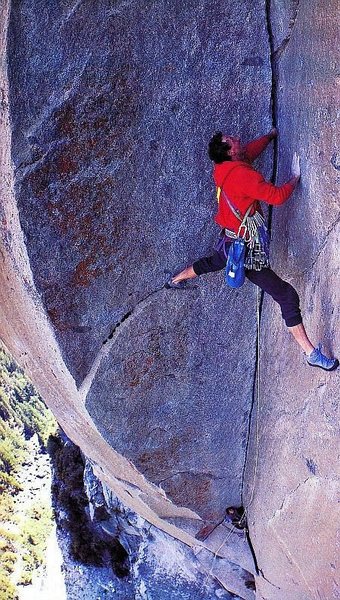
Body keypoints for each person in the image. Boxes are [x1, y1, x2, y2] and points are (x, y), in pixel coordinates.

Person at [166, 129, 338, 371]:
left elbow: (249, 152)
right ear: (229, 151)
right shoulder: (242, 176)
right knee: (287, 296)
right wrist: (295, 178)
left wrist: (269, 137)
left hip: (229, 240)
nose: (237, 139)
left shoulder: (222, 168)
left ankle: (176, 279)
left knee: (216, 261)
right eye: (232, 140)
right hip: (245, 252)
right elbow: (277, 197)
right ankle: (311, 354)